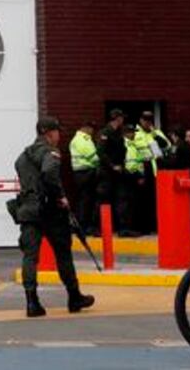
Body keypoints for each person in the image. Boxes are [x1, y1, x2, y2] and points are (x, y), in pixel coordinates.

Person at [13, 117, 96, 318]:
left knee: (30, 257)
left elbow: (23, 175)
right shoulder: (50, 152)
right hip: (49, 210)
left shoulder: (23, 157)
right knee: (63, 254)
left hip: (28, 211)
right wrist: (60, 196)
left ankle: (32, 302)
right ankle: (74, 296)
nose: (59, 136)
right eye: (57, 132)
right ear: (48, 133)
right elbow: (49, 172)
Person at [96, 109, 128, 235]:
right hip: (107, 172)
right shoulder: (105, 132)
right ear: (117, 118)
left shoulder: (119, 133)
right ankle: (100, 228)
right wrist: (112, 166)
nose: (123, 120)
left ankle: (122, 228)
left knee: (121, 199)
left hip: (119, 171)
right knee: (103, 200)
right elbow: (101, 152)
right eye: (121, 118)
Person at [68, 122, 100, 235]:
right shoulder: (82, 139)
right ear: (86, 128)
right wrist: (101, 161)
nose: (93, 132)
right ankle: (83, 226)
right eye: (92, 129)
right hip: (84, 172)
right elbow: (92, 156)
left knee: (84, 200)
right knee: (85, 200)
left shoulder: (81, 138)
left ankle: (81, 225)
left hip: (81, 173)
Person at [120, 122, 147, 236]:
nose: (133, 135)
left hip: (135, 176)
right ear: (126, 133)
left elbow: (138, 160)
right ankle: (125, 228)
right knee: (127, 204)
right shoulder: (123, 144)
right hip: (127, 177)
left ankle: (132, 227)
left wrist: (140, 175)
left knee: (133, 204)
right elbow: (128, 163)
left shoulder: (133, 145)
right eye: (131, 133)